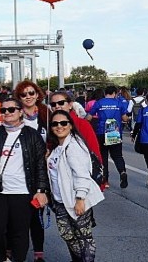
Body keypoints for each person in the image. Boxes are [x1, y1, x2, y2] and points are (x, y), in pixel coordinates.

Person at [0, 98, 49, 262]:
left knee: (19, 232)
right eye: (3, 110)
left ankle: (17, 258)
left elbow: (40, 165)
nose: (6, 113)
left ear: (20, 112)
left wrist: (41, 191)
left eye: (11, 109)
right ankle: (0, 258)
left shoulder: (32, 135)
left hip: (23, 192)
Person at [46, 110, 104, 262]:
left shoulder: (73, 145)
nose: (59, 126)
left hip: (75, 199)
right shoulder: (58, 147)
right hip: (60, 201)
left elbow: (82, 174)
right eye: (55, 124)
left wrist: (80, 198)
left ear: (70, 125)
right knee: (67, 234)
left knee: (83, 237)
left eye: (64, 123)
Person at [13, 80, 48, 262]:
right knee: (19, 216)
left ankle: (38, 253)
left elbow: (57, 134)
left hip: (40, 172)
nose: (28, 97)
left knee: (36, 214)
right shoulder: (15, 115)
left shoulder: (45, 113)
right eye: (24, 94)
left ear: (37, 94)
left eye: (31, 93)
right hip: (18, 171)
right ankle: (16, 252)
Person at [49, 92, 103, 183]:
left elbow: (94, 151)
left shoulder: (82, 124)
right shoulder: (51, 125)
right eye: (53, 104)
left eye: (61, 103)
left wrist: (99, 177)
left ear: (70, 105)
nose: (57, 106)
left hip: (82, 180)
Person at [86, 86, 129, 189]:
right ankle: (122, 172)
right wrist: (127, 119)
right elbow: (124, 118)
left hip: (101, 131)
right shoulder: (118, 103)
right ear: (114, 93)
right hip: (114, 131)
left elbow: (89, 117)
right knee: (118, 156)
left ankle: (105, 180)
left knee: (103, 156)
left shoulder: (99, 102)